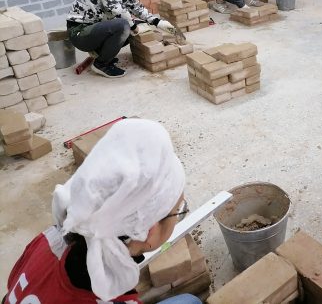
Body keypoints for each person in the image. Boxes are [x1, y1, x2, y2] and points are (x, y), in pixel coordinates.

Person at [4, 119, 202, 304]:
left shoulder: (49, 239)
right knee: (190, 300)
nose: (179, 215)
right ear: (148, 230)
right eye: (179, 211)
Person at [66, 0, 176, 78]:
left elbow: (135, 6)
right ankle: (101, 64)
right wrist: (133, 27)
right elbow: (117, 9)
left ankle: (103, 54)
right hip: (80, 32)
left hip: (96, 28)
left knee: (136, 25)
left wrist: (157, 22)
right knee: (124, 25)